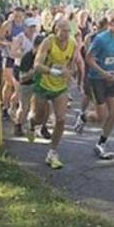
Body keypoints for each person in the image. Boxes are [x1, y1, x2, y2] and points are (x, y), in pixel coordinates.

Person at [28, 19, 76, 169]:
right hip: (43, 84)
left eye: (69, 31)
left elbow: (72, 64)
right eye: (63, 30)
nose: (66, 34)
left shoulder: (73, 43)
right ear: (56, 30)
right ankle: (31, 124)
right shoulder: (48, 42)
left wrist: (70, 74)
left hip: (60, 87)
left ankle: (52, 153)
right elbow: (37, 65)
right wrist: (56, 72)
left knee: (61, 119)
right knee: (39, 117)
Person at [84, 10, 114, 160]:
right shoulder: (100, 39)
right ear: (110, 24)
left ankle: (101, 144)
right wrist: (103, 73)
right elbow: (89, 59)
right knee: (101, 116)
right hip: (97, 78)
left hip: (111, 77)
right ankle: (83, 117)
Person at [10, 17, 40, 136]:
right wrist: (23, 53)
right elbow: (12, 53)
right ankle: (18, 123)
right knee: (23, 100)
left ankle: (33, 123)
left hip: (34, 68)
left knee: (36, 99)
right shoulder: (20, 37)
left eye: (34, 27)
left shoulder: (37, 37)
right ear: (25, 28)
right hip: (21, 68)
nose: (32, 29)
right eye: (30, 27)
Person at [0, 6, 26, 119]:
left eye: (20, 16)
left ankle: (14, 106)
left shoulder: (25, 26)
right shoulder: (8, 25)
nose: (17, 18)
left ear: (23, 16)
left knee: (18, 85)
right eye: (16, 16)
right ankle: (5, 107)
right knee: (9, 83)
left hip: (20, 58)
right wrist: (8, 44)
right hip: (8, 56)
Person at [15, 34, 45, 138]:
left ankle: (39, 127)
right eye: (42, 48)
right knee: (24, 107)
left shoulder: (44, 56)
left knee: (42, 106)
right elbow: (22, 78)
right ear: (36, 46)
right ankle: (18, 125)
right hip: (26, 85)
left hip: (39, 84)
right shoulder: (27, 57)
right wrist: (34, 71)